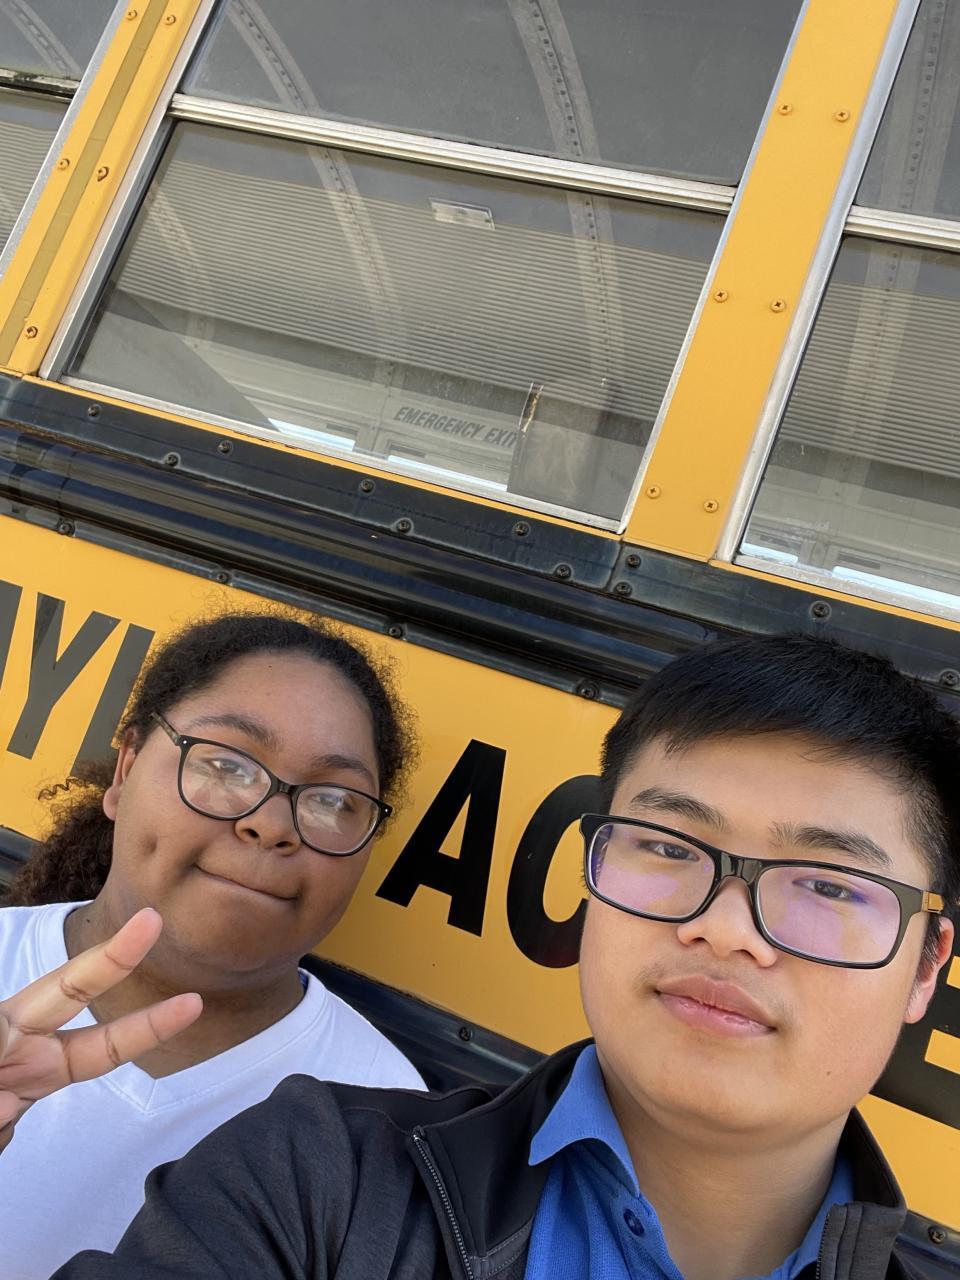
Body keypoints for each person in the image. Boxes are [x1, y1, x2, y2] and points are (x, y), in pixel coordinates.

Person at [5, 633, 957, 1280]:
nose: (727, 927)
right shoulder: (318, 1179)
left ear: (927, 965)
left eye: (830, 886)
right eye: (668, 848)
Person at [0, 611, 425, 1278]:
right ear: (126, 770)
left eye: (333, 801)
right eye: (226, 765)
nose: (272, 824)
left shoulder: (388, 1120)